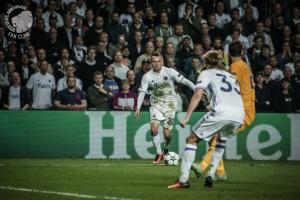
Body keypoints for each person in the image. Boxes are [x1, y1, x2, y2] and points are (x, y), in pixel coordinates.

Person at [168, 50, 245, 189]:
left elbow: (197, 95)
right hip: (239, 114)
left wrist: (187, 117)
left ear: (207, 63)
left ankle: (183, 180)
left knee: (191, 139)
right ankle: (210, 174)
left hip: (222, 112)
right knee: (221, 140)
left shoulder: (206, 73)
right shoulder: (231, 76)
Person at [191, 41, 256, 181]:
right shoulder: (245, 66)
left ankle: (202, 166)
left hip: (242, 110)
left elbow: (231, 88)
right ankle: (220, 172)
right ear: (243, 53)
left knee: (216, 137)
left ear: (228, 54)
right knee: (215, 137)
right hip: (243, 107)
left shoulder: (236, 67)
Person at [135, 53, 195, 164]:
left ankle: (166, 148)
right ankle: (159, 153)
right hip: (156, 105)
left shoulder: (169, 71)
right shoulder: (147, 76)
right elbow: (142, 91)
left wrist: (196, 89)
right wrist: (138, 107)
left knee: (167, 134)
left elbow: (185, 81)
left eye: (158, 61)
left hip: (170, 105)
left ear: (162, 62)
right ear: (151, 62)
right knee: (154, 128)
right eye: (154, 61)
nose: (156, 63)